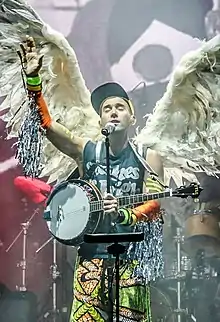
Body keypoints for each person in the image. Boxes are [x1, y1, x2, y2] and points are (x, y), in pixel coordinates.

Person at [19, 36, 165, 322]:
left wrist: (125, 214)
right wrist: (33, 81)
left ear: (132, 118)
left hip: (130, 257)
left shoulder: (148, 155)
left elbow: (155, 204)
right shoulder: (86, 151)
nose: (113, 112)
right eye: (106, 109)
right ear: (99, 121)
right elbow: (46, 124)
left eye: (120, 107)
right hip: (91, 256)